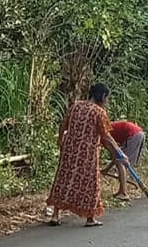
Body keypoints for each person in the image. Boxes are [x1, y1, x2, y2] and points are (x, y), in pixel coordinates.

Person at [46, 83, 127, 227]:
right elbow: (106, 136)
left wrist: (60, 142)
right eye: (107, 98)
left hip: (69, 149)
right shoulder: (99, 112)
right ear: (102, 97)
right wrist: (120, 153)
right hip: (88, 153)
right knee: (91, 184)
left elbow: (63, 125)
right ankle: (90, 218)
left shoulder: (76, 106)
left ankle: (55, 215)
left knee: (63, 178)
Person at [101, 119, 146, 200]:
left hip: (133, 134)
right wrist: (106, 169)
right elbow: (116, 153)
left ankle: (123, 192)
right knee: (122, 161)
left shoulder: (103, 135)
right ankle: (122, 191)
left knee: (121, 162)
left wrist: (106, 169)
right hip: (138, 133)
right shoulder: (107, 130)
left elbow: (114, 154)